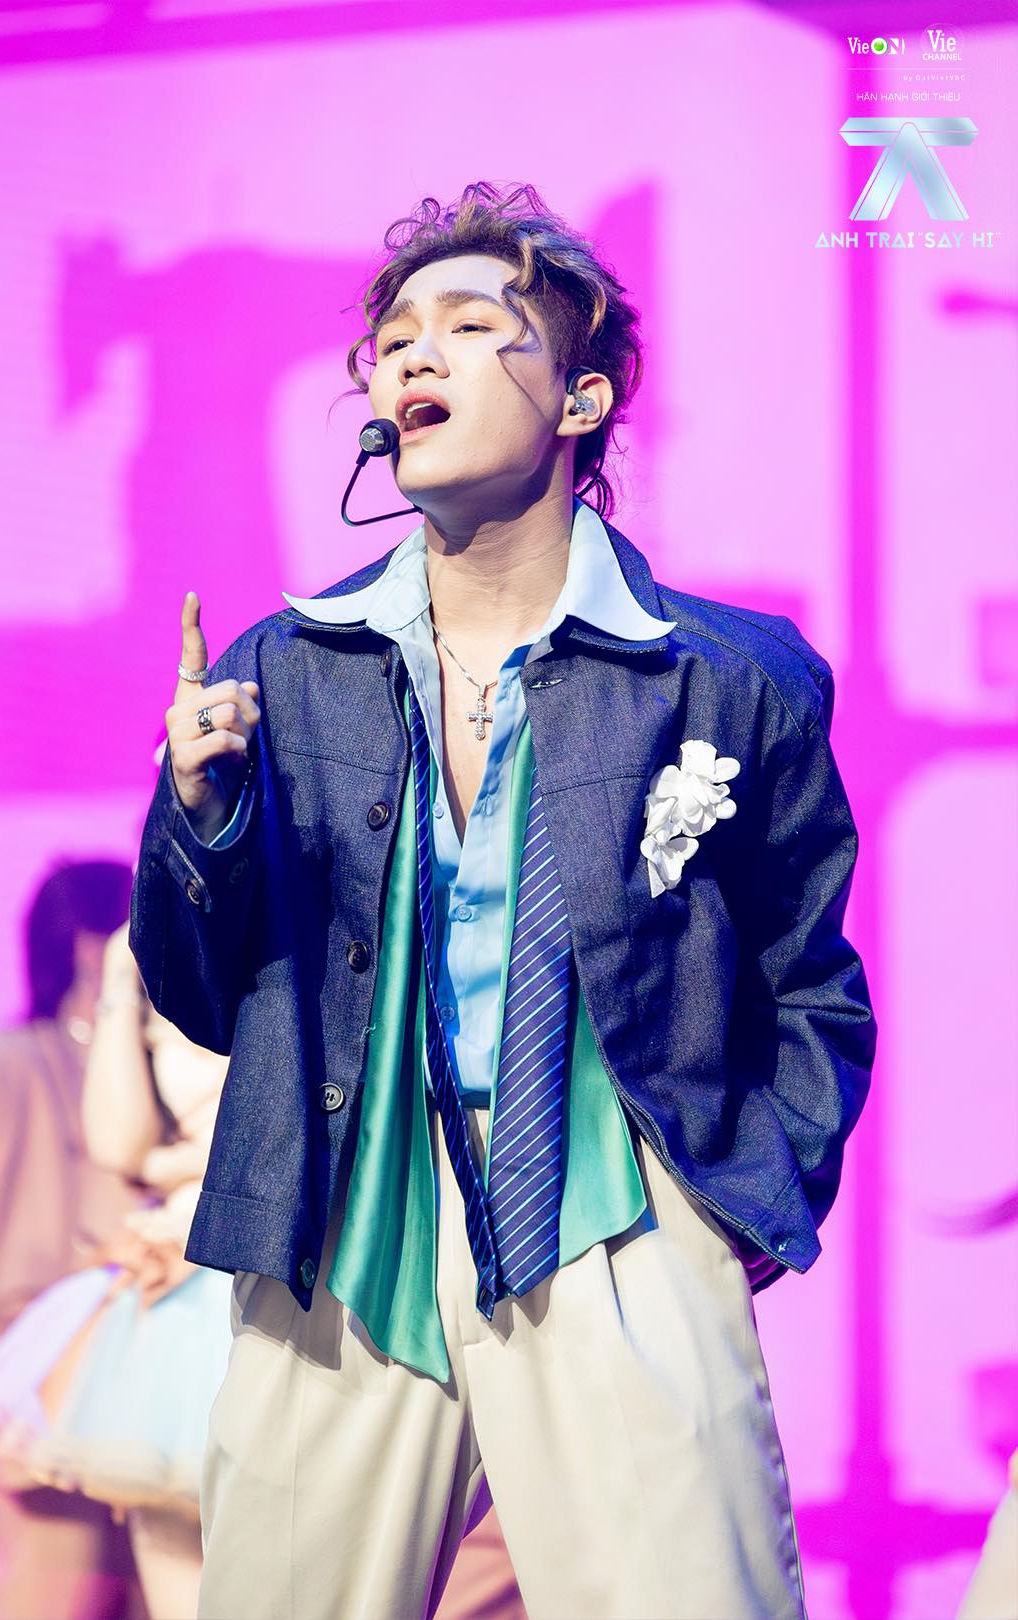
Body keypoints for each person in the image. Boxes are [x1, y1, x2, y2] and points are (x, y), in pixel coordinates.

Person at [130, 181, 877, 1620]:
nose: (416, 354)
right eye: (395, 337)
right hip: (343, 1221)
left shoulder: (726, 674)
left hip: (619, 1211)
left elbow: (811, 982)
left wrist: (735, 1204)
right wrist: (202, 823)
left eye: (473, 327)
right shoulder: (288, 668)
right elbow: (202, 995)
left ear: (583, 400)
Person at [0, 923, 233, 1620]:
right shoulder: (1, 1062)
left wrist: (171, 1169)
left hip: (241, 1268)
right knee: (113, 1573)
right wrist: (118, 977)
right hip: (159, 1289)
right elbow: (119, 1147)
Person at [0, 858, 145, 1620]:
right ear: (94, 944)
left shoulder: (156, 1062)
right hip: (41, 1374)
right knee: (56, 1588)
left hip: (148, 1364)